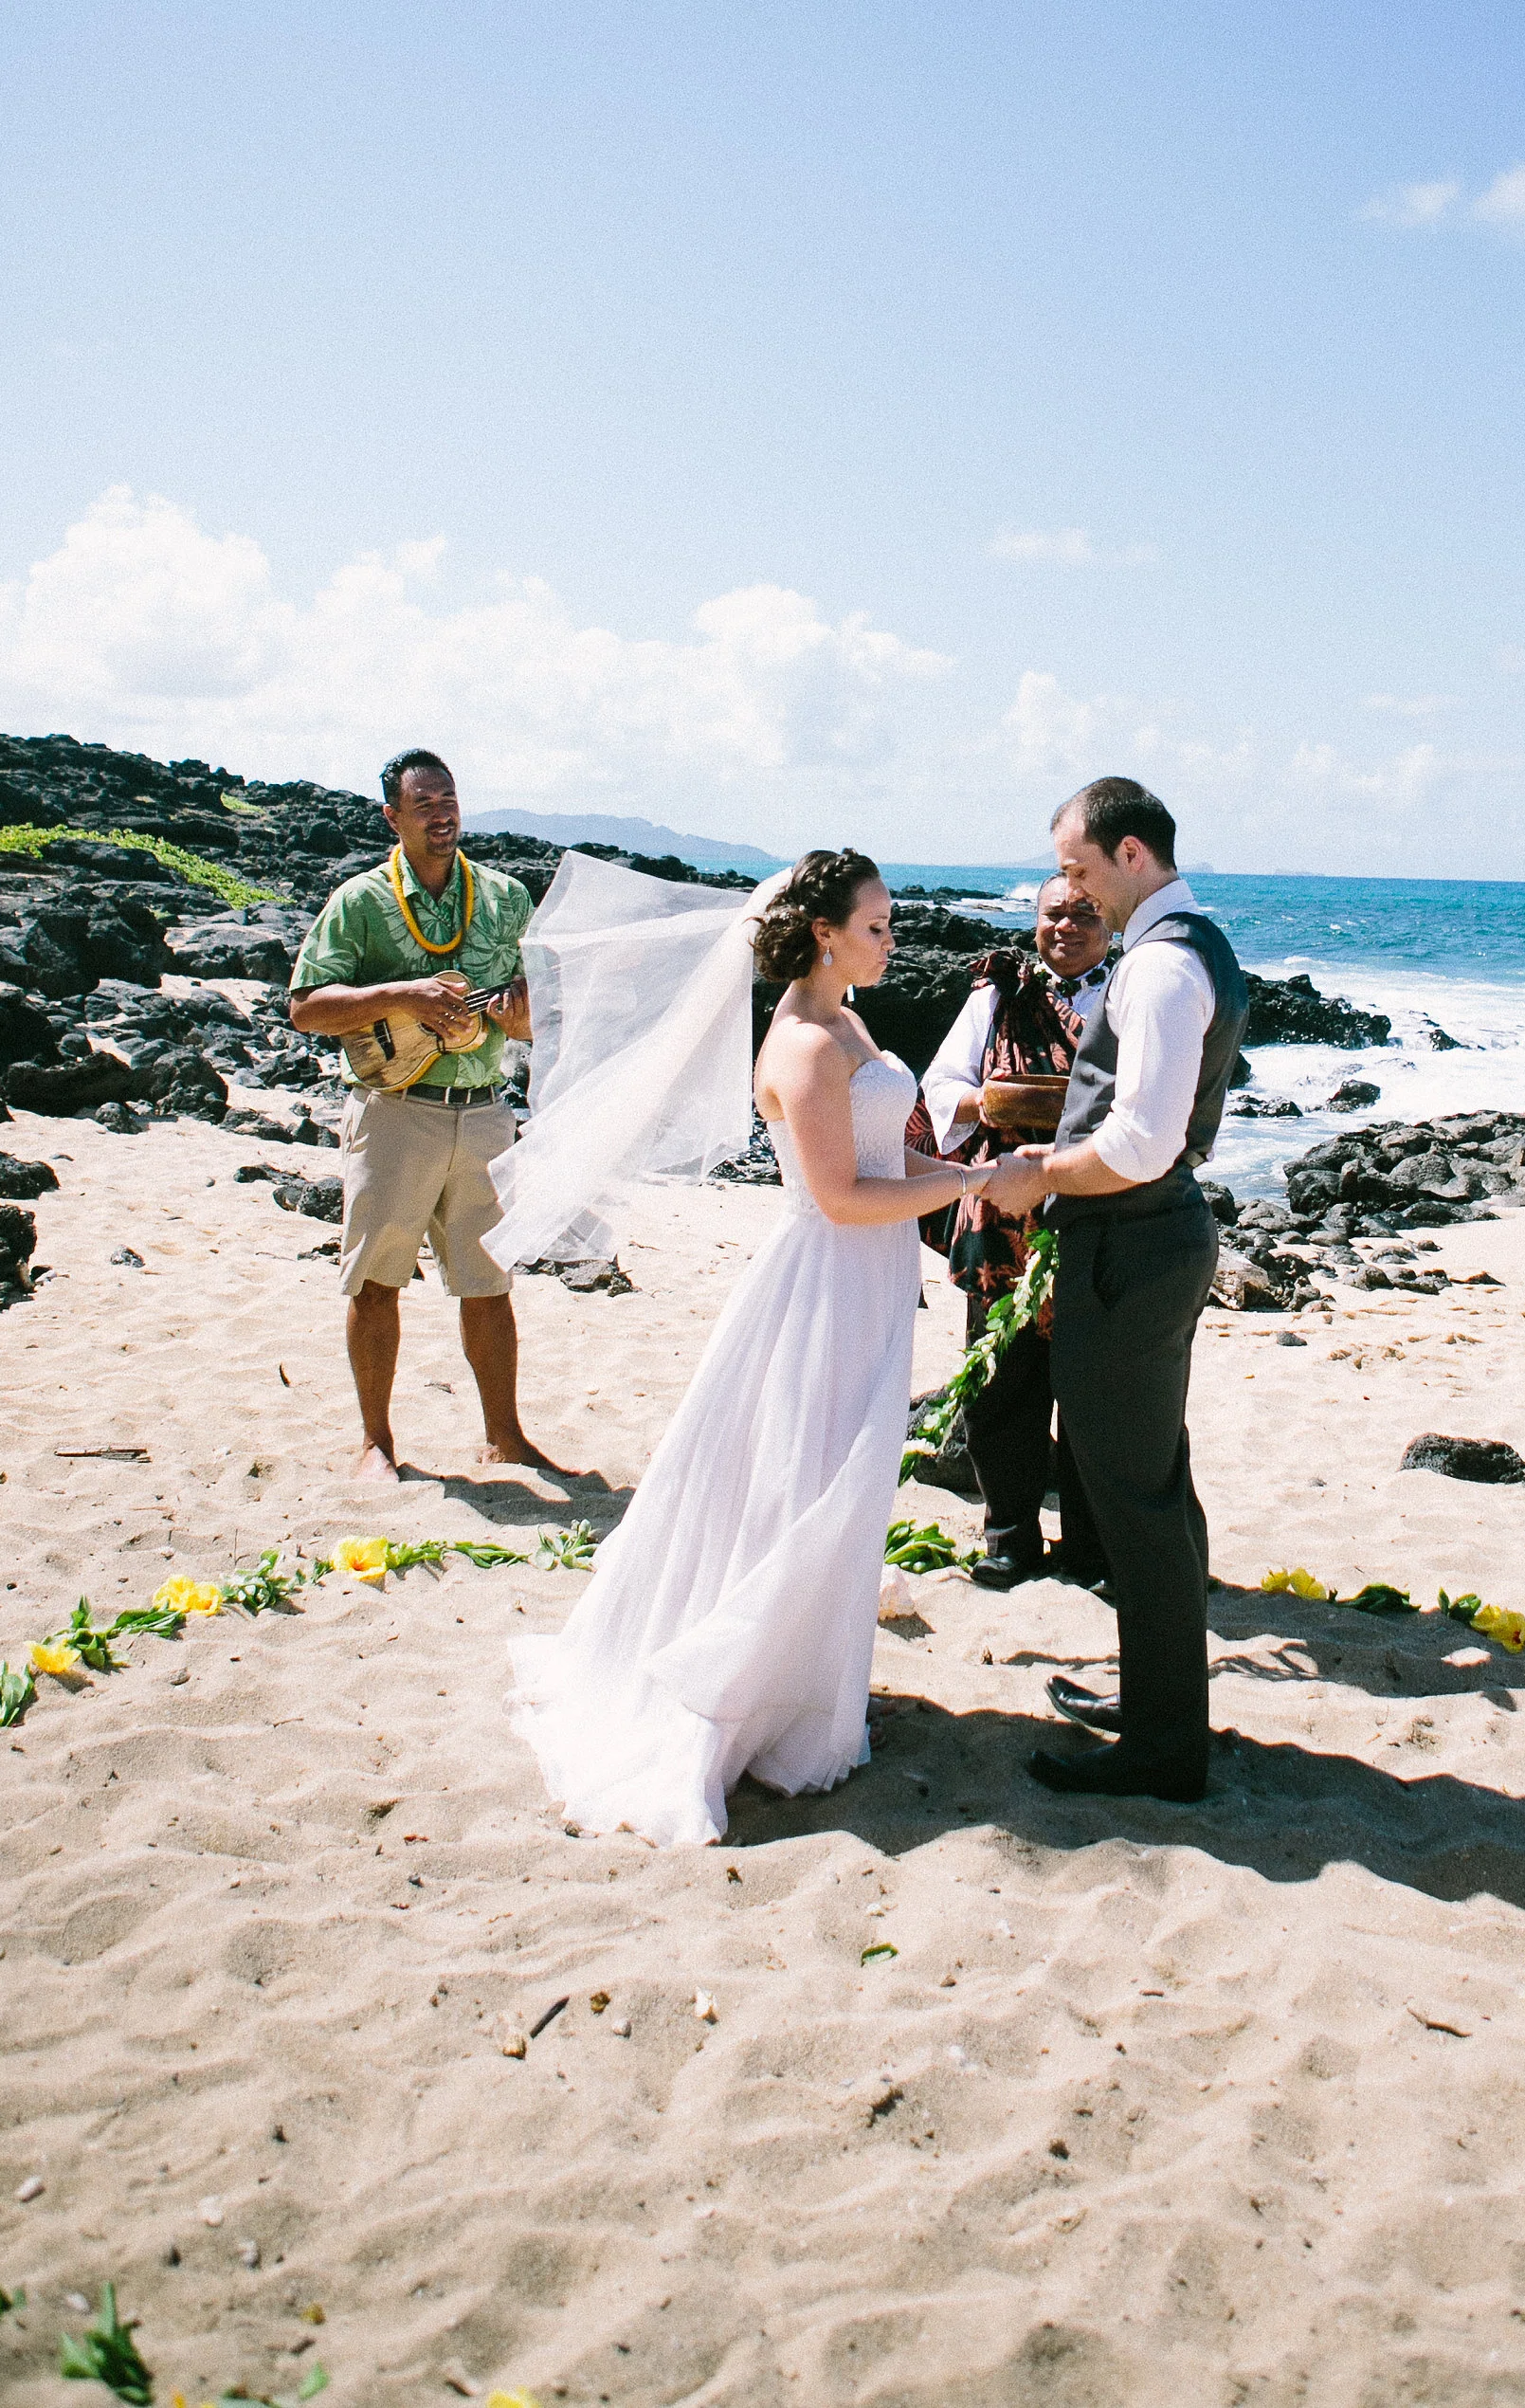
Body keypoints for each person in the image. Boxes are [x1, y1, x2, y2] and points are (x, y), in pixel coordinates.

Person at [503, 849, 997, 1850]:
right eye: (875, 923)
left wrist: (967, 1171)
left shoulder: (848, 1020)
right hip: (822, 1277)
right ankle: (748, 1698)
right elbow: (839, 1196)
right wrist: (963, 1189)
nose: (890, 938)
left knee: (841, 1479)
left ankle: (808, 1683)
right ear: (823, 932)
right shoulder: (804, 1046)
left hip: (867, 1278)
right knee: (807, 1479)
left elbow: (880, 1159)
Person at [982, 776, 1250, 1804]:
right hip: (1154, 1238)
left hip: (1132, 1244)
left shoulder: (1157, 970)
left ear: (1130, 854)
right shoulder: (1200, 946)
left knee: (1130, 1493)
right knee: (1153, 1483)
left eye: (1077, 867)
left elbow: (1138, 1144)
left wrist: (1038, 1171)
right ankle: (1159, 1704)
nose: (1069, 887)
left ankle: (1163, 1745)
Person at [286, 749, 557, 1485]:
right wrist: (402, 995)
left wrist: (521, 1015)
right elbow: (306, 1006)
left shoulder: (503, 897)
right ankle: (375, 1444)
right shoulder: (361, 902)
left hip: (485, 1113)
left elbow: (536, 1021)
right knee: (375, 1280)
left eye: (451, 800)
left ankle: (504, 1436)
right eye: (426, 804)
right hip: (396, 1111)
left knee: (489, 1282)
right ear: (393, 818)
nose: (444, 814)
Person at [920, 877, 1113, 1591]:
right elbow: (940, 1087)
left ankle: (1092, 1548)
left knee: (1092, 1390)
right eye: (1052, 914)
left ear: (1111, 921)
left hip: (1097, 1208)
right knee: (1001, 1385)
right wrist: (991, 1098)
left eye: (1083, 914)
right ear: (1034, 921)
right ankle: (1009, 1538)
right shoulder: (996, 996)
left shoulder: (1128, 997)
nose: (1066, 927)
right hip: (1003, 1216)